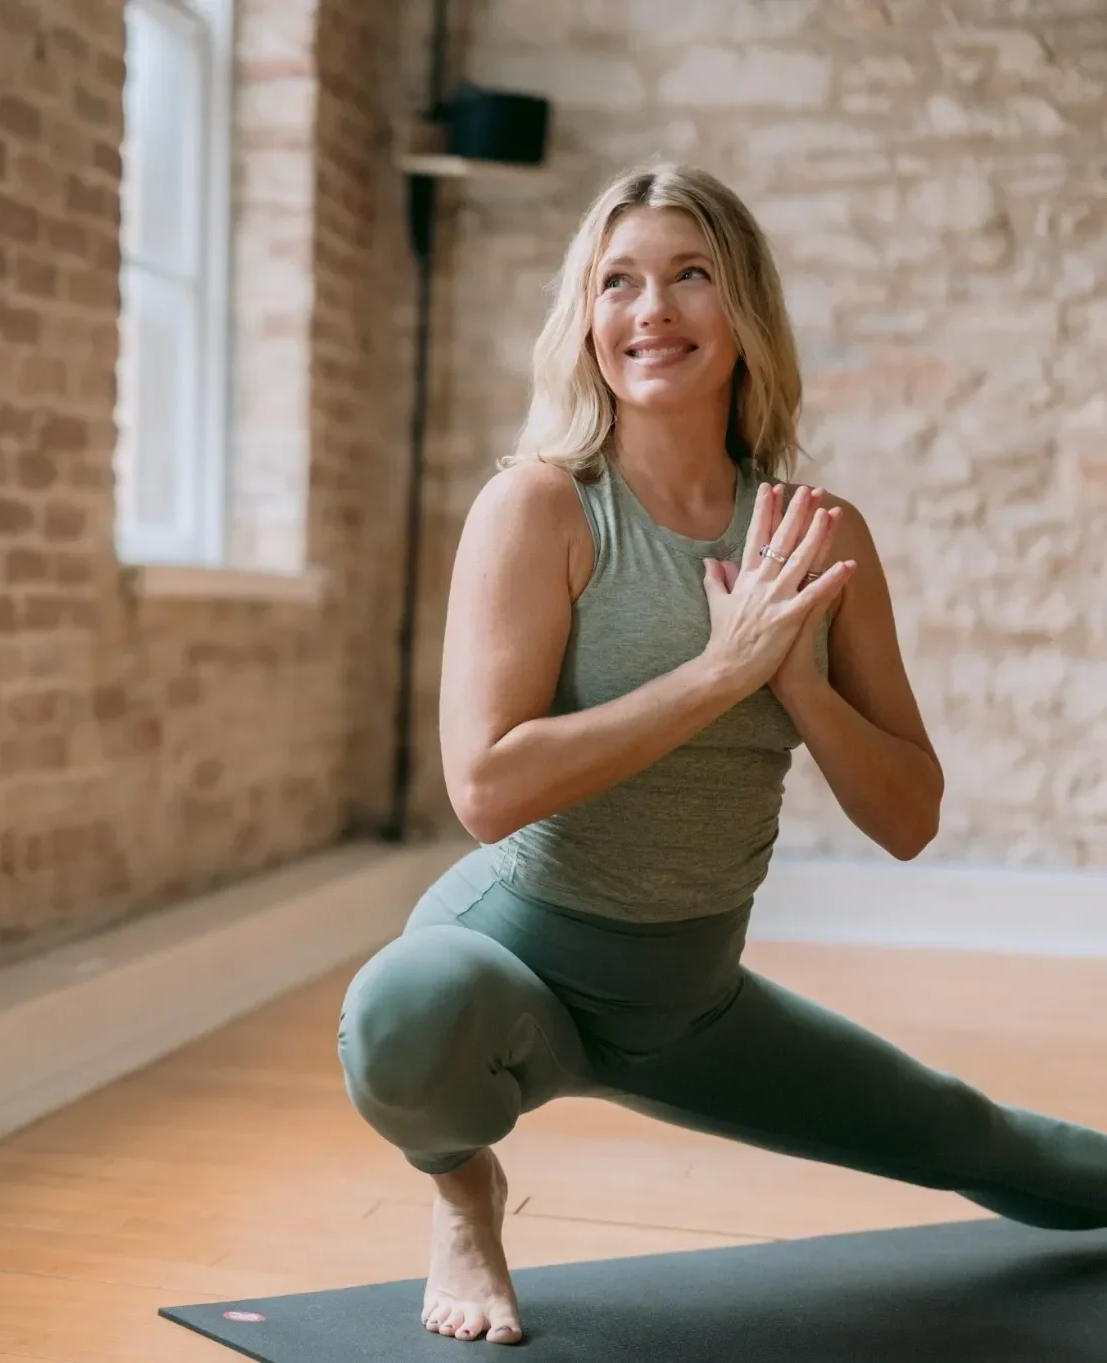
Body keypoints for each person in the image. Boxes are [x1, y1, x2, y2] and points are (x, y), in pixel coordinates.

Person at [335, 161, 1107, 1347]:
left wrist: (799, 684)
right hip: (516, 961)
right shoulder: (541, 507)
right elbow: (484, 786)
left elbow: (907, 816)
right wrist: (717, 673)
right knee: (402, 1006)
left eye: (689, 276)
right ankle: (459, 1189)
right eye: (618, 282)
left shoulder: (814, 532)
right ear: (584, 321)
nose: (651, 311)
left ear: (742, 310)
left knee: (973, 1138)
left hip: (689, 998)